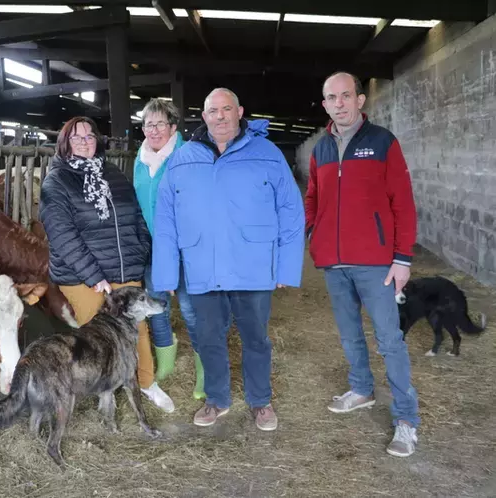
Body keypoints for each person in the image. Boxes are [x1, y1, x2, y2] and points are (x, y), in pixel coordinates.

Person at [152, 88, 305, 431]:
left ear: (240, 112)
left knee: (255, 338)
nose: (220, 116)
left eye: (226, 109)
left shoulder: (267, 153)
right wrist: (166, 275)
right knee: (208, 337)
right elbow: (165, 220)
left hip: (253, 265)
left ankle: (260, 401)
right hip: (201, 266)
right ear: (203, 117)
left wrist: (286, 267)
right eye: (212, 111)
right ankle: (217, 398)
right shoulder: (184, 157)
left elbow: (291, 212)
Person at [305, 71, 420, 457]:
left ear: (359, 100)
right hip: (335, 263)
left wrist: (402, 258)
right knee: (349, 332)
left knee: (390, 340)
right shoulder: (321, 148)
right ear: (325, 104)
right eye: (331, 97)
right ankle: (361, 388)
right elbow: (313, 199)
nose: (339, 103)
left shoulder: (383, 142)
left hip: (376, 262)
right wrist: (312, 233)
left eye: (345, 96)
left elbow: (402, 202)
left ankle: (406, 419)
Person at [39, 116, 175, 413]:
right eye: (77, 138)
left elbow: (136, 218)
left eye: (90, 136)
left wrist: (141, 254)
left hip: (125, 270)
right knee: (101, 337)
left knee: (137, 331)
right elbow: (62, 235)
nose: (85, 142)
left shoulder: (113, 174)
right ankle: (105, 392)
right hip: (82, 276)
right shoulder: (57, 181)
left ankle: (146, 383)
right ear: (65, 144)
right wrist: (93, 275)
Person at [133, 98, 203, 401]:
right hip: (151, 249)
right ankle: (165, 364)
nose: (154, 130)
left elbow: (196, 206)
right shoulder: (140, 160)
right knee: (156, 307)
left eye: (161, 123)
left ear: (173, 127)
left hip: (184, 250)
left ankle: (206, 372)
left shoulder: (187, 156)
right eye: (149, 124)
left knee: (191, 310)